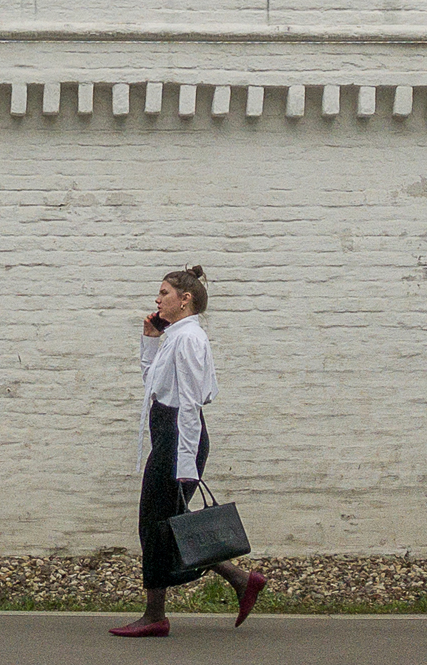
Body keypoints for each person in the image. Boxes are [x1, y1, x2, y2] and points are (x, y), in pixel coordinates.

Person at [110, 265, 269, 637]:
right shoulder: (175, 337)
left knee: (155, 525)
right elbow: (154, 386)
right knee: (163, 524)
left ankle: (156, 616)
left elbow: (192, 404)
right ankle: (238, 579)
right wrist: (150, 340)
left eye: (164, 292)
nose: (157, 299)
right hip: (170, 435)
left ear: (186, 300)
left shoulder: (190, 339)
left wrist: (184, 462)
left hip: (180, 437)